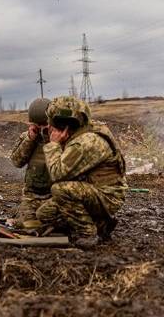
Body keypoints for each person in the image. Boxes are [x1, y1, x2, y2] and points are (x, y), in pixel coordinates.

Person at [36, 96, 128, 248]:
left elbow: (57, 174)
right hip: (95, 190)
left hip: (107, 196)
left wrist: (53, 144)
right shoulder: (81, 132)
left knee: (60, 190)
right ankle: (101, 224)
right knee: (45, 214)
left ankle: (87, 233)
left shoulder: (85, 142)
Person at [10, 98, 52, 230]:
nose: (41, 128)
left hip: (55, 195)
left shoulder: (63, 137)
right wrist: (30, 140)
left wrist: (52, 139)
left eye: (44, 124)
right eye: (37, 124)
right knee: (26, 224)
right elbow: (16, 161)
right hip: (32, 196)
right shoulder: (27, 137)